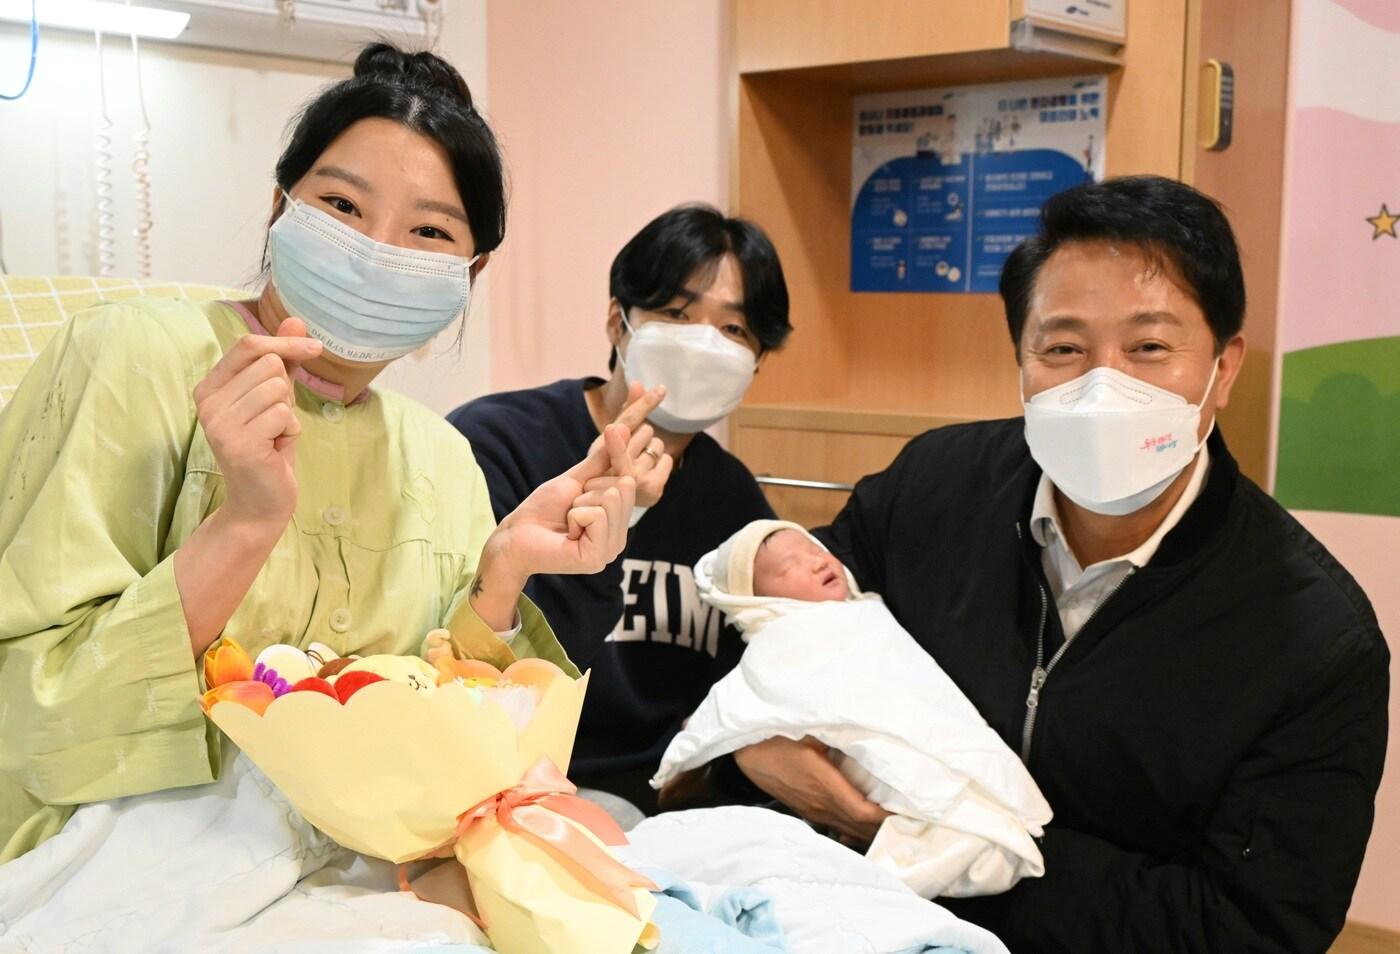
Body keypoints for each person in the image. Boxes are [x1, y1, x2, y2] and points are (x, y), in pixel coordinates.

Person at [0, 43, 645, 863]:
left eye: (428, 230)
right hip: (113, 862)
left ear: (470, 272)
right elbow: (29, 715)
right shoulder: (125, 358)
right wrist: (244, 525)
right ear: (280, 207)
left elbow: (448, 735)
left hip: (358, 877)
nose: (377, 250)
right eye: (342, 205)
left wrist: (502, 577)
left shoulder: (442, 458)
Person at [728, 176, 1390, 951]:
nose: (1103, 385)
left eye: (1149, 348)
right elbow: (783, 629)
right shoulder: (929, 489)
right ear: (1021, 361)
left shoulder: (1313, 639)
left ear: (1225, 367)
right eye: (1064, 349)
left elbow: (1252, 928)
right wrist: (751, 743)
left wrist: (940, 847)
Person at [447, 205, 791, 812]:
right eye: (677, 314)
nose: (703, 344)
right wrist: (618, 516)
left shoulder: (733, 496)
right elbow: (471, 654)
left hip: (673, 795)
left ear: (758, 362)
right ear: (618, 321)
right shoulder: (498, 442)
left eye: (733, 331)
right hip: (516, 776)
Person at [653, 519, 1053, 899]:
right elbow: (737, 705)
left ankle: (970, 820)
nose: (817, 560)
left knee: (962, 778)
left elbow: (921, 694)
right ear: (757, 601)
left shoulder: (869, 610)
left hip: (929, 732)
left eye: (814, 548)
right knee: (950, 816)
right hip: (867, 756)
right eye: (790, 566)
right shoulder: (780, 639)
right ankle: (927, 850)